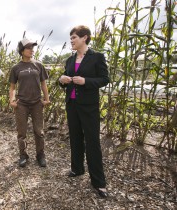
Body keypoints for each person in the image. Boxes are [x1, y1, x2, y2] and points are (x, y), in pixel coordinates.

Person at [59, 25, 109, 197]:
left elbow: (104, 79)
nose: (71, 40)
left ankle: (99, 182)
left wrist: (85, 81)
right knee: (75, 137)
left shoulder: (97, 57)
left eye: (74, 37)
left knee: (92, 142)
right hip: (72, 104)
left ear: (84, 38)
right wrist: (62, 79)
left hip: (89, 106)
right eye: (71, 38)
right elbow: (65, 78)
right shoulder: (70, 60)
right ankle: (77, 169)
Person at [9, 38, 50, 168]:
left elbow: (43, 83)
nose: (32, 50)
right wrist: (12, 100)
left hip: (37, 103)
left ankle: (40, 155)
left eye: (33, 48)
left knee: (39, 131)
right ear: (21, 51)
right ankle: (23, 155)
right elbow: (12, 87)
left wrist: (46, 99)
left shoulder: (38, 65)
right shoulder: (16, 68)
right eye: (28, 48)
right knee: (22, 132)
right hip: (22, 104)